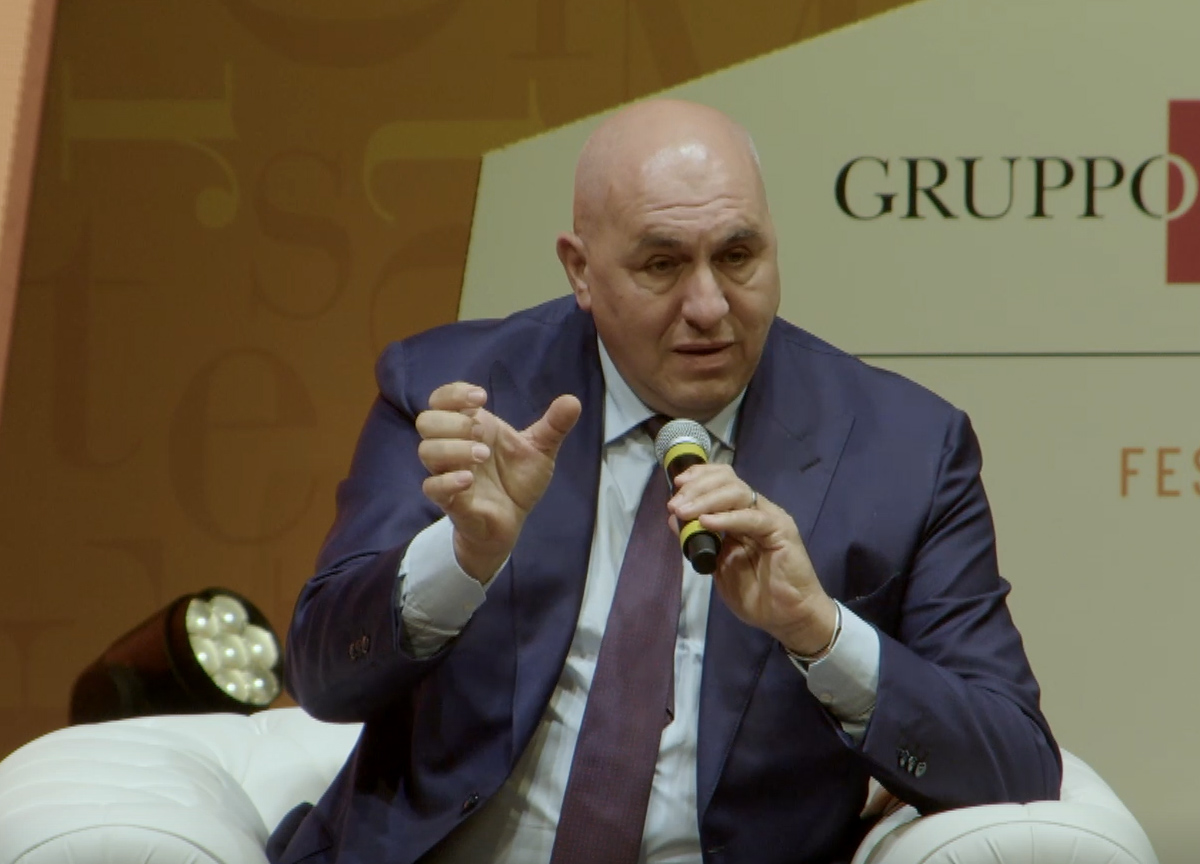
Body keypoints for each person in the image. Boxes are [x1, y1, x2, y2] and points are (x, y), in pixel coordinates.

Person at [268, 99, 1061, 864]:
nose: (710, 306)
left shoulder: (905, 449)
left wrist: (819, 632)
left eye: (738, 257)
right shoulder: (456, 393)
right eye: (662, 265)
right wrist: (461, 556)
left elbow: (1015, 762)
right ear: (581, 270)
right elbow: (324, 679)